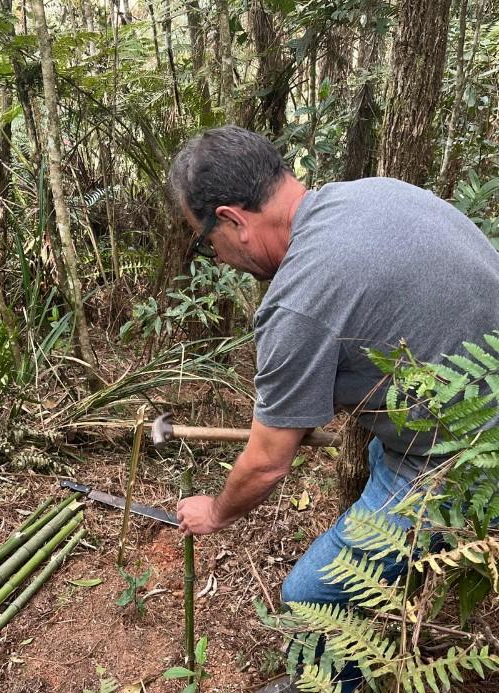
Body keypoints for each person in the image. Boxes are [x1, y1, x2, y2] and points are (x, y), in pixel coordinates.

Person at [169, 126, 499, 636]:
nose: (219, 258)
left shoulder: (297, 304)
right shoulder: (374, 192)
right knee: (377, 454)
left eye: (208, 243)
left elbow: (267, 465)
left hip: (467, 457)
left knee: (309, 598)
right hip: (471, 400)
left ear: (233, 221)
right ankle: (396, 593)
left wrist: (214, 513)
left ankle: (342, 678)